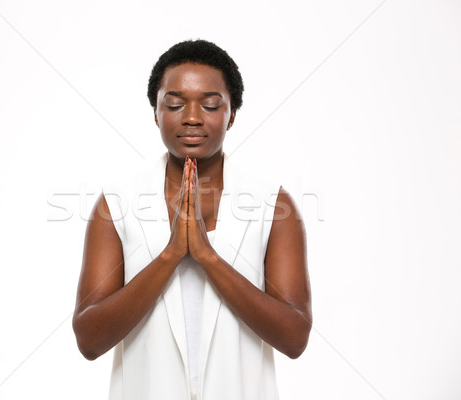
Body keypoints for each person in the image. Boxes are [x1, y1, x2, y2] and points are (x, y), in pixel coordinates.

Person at [72, 39, 312, 400]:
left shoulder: (274, 205)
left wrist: (206, 256)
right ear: (156, 112)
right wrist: (170, 255)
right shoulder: (116, 204)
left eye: (211, 104)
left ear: (231, 115)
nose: (192, 117)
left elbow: (295, 337)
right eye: (174, 103)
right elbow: (89, 340)